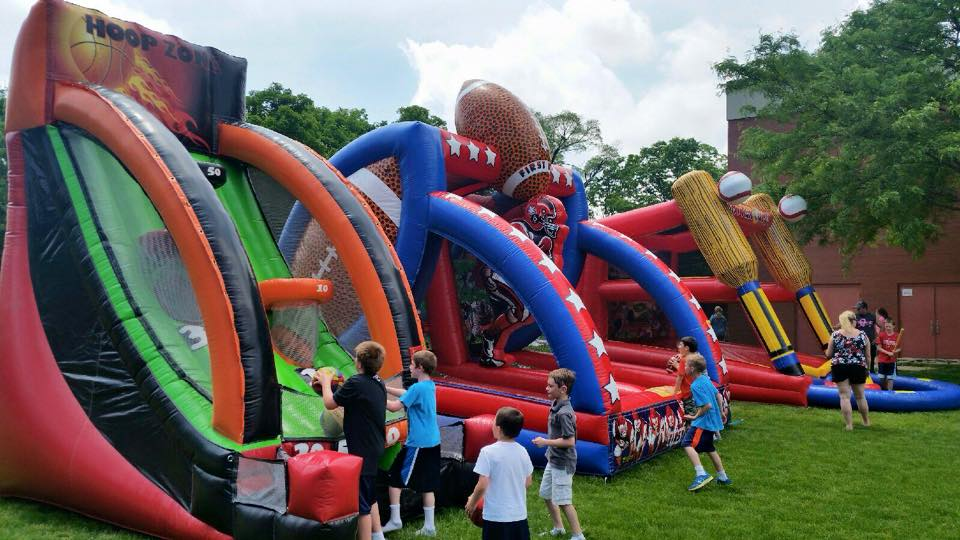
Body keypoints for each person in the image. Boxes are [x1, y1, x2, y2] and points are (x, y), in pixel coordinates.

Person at [316, 341, 387, 540]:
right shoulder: (378, 381)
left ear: (359, 363)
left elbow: (330, 403)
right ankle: (378, 536)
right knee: (370, 495)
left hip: (363, 450)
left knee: (362, 504)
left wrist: (325, 382)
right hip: (375, 446)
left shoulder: (356, 383)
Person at [382, 350, 441, 537]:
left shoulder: (417, 389)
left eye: (412, 365)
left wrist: (375, 394)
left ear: (420, 367)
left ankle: (395, 520)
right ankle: (430, 527)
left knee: (394, 479)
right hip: (433, 441)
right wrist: (385, 388)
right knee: (428, 485)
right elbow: (406, 394)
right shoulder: (429, 385)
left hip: (418, 444)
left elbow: (394, 407)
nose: (409, 367)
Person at [466, 407, 534, 540]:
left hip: (496, 517)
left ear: (498, 428)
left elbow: (482, 485)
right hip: (519, 516)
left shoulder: (487, 452)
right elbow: (528, 481)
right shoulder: (523, 451)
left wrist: (472, 503)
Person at [532, 369, 584, 540]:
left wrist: (545, 442)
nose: (546, 388)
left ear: (563, 389)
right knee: (546, 494)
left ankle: (578, 535)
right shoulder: (556, 404)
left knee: (563, 500)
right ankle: (558, 527)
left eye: (550, 386)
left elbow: (570, 441)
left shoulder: (564, 413)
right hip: (553, 459)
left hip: (563, 462)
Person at [680, 354, 730, 491]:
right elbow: (718, 395)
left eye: (686, 365)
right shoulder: (705, 379)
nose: (684, 367)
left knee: (687, 443)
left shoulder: (695, 385)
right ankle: (723, 477)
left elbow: (707, 405)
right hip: (712, 420)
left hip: (703, 422)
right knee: (709, 447)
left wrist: (694, 416)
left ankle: (701, 474)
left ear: (692, 368)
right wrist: (722, 411)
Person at [826, 310, 872, 431]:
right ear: (853, 321)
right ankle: (866, 421)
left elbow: (828, 354)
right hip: (858, 366)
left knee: (844, 397)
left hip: (839, 366)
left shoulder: (835, 335)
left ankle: (849, 425)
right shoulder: (863, 335)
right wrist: (867, 368)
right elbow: (868, 356)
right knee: (860, 396)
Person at [666, 336, 699, 414]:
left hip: (688, 393)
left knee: (690, 414)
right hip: (697, 391)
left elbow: (680, 377)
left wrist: (674, 393)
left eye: (680, 345)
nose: (678, 347)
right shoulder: (697, 357)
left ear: (686, 348)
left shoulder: (684, 360)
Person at [876, 320, 902, 391]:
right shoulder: (881, 335)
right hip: (882, 360)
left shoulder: (897, 336)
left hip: (892, 361)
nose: (887, 328)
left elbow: (900, 348)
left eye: (889, 326)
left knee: (890, 378)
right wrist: (888, 353)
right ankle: (884, 390)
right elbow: (878, 348)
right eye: (886, 326)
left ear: (893, 326)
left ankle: (890, 392)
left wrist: (895, 351)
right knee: (882, 378)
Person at [854, 300, 878, 372]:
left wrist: (877, 338)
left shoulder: (872, 316)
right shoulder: (855, 316)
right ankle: (860, 372)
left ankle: (871, 372)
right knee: (859, 358)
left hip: (871, 342)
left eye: (859, 309)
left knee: (871, 357)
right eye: (857, 309)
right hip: (859, 342)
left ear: (864, 308)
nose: (857, 310)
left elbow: (881, 326)